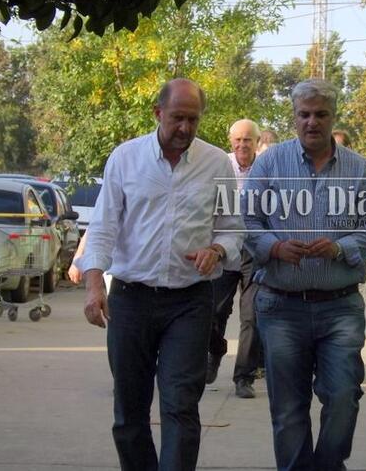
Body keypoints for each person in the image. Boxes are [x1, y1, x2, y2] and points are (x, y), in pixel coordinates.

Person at [78, 78, 245, 471]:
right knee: (130, 408)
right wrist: (93, 285)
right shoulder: (125, 158)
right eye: (177, 118)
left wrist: (216, 250)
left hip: (189, 301)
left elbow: (233, 227)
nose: (185, 128)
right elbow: (103, 227)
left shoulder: (217, 163)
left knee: (180, 404)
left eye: (193, 119)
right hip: (131, 299)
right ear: (158, 114)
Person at [244, 79, 366, 471]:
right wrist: (273, 247)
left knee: (343, 396)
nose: (312, 122)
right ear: (294, 118)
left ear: (332, 117)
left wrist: (341, 247)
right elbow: (247, 220)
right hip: (280, 306)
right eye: (304, 114)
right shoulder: (269, 163)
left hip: (338, 308)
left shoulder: (358, 168)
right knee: (288, 410)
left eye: (321, 114)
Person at [206, 118, 263, 399]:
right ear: (231, 141)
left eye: (248, 140)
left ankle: (244, 376)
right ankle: (215, 351)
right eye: (238, 139)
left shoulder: (266, 168)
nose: (242, 144)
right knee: (214, 310)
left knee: (251, 315)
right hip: (224, 248)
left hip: (254, 252)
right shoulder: (219, 165)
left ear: (257, 142)